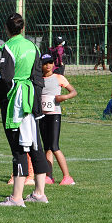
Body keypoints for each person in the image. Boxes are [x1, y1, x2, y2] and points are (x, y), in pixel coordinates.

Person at [0, 13, 50, 207]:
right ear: (23, 28)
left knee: (18, 148)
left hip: (16, 102)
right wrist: (35, 100)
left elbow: (7, 78)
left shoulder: (9, 47)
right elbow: (38, 77)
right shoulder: (33, 46)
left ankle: (17, 197)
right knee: (35, 145)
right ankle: (39, 193)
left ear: (6, 29)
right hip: (32, 100)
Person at [39, 53, 78, 186]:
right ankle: (49, 176)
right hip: (42, 116)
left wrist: (64, 97)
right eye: (45, 63)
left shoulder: (58, 78)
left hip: (54, 115)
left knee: (54, 146)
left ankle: (67, 177)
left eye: (50, 63)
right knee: (47, 147)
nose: (48, 66)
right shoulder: (38, 79)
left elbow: (73, 91)